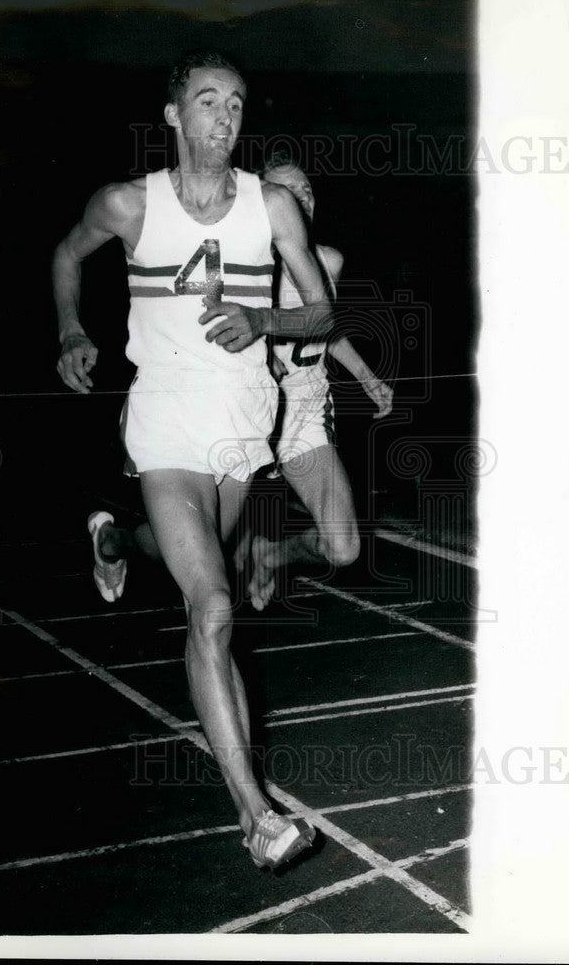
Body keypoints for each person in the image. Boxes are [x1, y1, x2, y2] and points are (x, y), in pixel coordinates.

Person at [54, 50, 334, 870]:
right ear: (173, 115)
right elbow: (65, 257)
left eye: (237, 104)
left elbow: (319, 314)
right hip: (166, 414)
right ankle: (256, 816)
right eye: (206, 102)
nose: (224, 117)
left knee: (189, 567)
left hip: (244, 420)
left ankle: (114, 536)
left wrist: (265, 324)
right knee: (211, 607)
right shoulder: (127, 204)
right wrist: (72, 329)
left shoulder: (273, 205)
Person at [240, 151, 394, 610]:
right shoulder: (241, 266)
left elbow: (325, 327)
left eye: (307, 190)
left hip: (303, 404)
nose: (302, 199)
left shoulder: (328, 260)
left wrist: (366, 376)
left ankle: (270, 554)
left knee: (344, 548)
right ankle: (116, 541)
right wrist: (259, 355)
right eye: (288, 192)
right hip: (242, 404)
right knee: (200, 543)